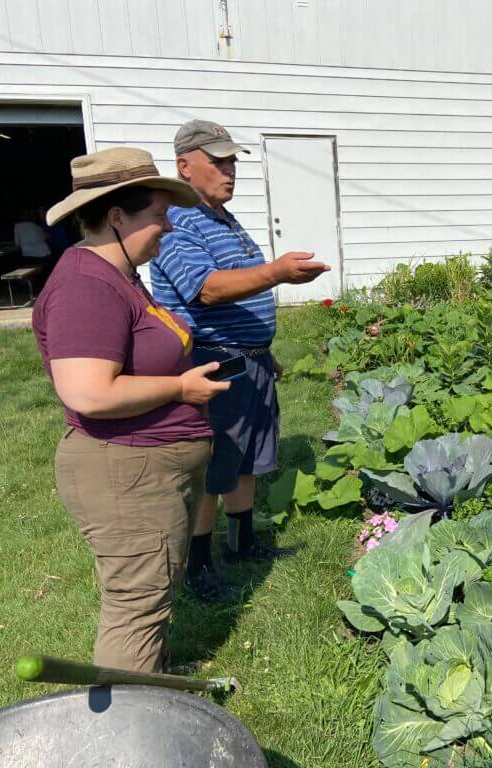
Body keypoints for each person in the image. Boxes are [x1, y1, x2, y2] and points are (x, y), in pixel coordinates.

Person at [32, 147, 230, 672]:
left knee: (152, 592)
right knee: (135, 609)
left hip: (144, 466)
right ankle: (130, 725)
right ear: (117, 216)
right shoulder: (86, 286)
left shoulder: (118, 274)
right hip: (126, 470)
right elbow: (89, 393)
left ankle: (153, 685)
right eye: (159, 215)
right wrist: (179, 389)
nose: (168, 226)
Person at [151, 119, 329, 602]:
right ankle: (198, 565)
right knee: (214, 468)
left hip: (246, 360)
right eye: (219, 161)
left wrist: (261, 350)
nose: (231, 171)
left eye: (233, 161)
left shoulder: (222, 218)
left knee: (247, 458)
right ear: (184, 166)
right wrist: (276, 273)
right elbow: (205, 289)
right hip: (212, 363)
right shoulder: (177, 223)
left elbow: (235, 286)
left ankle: (243, 541)